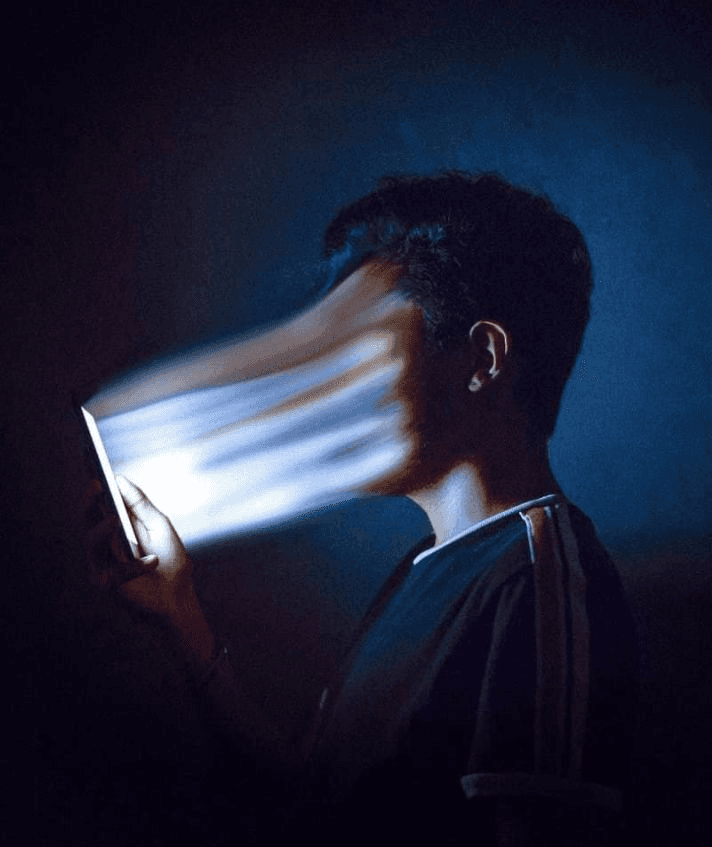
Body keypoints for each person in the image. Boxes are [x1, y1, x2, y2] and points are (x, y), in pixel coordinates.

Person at [90, 172, 638, 845]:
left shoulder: (544, 589)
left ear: (482, 358)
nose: (324, 387)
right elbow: (311, 809)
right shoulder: (424, 569)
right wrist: (181, 613)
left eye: (363, 346)